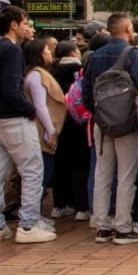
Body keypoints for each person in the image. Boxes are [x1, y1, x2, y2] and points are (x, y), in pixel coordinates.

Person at [0, 6, 55, 244]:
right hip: (14, 118)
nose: (28, 27)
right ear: (13, 25)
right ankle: (28, 224)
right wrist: (28, 110)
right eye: (25, 23)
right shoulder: (12, 51)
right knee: (32, 170)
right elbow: (12, 87)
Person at [82, 13, 138, 246]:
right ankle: (123, 227)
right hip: (128, 123)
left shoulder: (94, 56)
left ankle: (102, 226)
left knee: (102, 174)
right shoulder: (132, 54)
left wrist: (99, 114)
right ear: (128, 28)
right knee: (126, 176)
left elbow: (86, 90)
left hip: (102, 123)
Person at [49, 41, 90, 221]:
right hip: (79, 123)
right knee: (80, 165)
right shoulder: (80, 71)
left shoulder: (50, 72)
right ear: (74, 52)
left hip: (56, 124)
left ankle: (59, 205)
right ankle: (81, 207)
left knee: (60, 164)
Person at [22, 39, 64, 198]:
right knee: (41, 174)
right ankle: (33, 214)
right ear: (38, 54)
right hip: (41, 132)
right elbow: (40, 106)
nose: (50, 52)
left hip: (41, 130)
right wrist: (51, 130)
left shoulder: (36, 73)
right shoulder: (37, 75)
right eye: (47, 50)